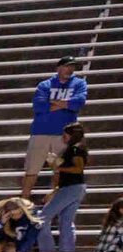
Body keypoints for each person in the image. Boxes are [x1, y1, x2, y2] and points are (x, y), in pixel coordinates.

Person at [26, 57, 91, 199]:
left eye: (72, 67)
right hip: (41, 132)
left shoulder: (79, 83)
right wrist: (66, 104)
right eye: (67, 66)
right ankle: (24, 200)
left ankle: (55, 201)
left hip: (64, 134)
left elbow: (78, 102)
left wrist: (53, 103)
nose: (70, 69)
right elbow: (38, 106)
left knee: (60, 170)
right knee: (32, 169)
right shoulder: (45, 84)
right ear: (59, 68)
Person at [40, 123, 92, 252]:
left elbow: (78, 168)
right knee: (66, 222)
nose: (63, 137)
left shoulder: (75, 149)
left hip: (71, 188)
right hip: (73, 187)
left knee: (41, 220)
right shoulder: (74, 149)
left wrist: (59, 167)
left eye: (65, 135)